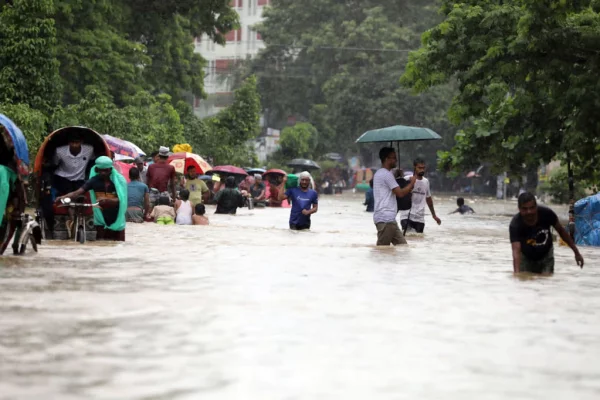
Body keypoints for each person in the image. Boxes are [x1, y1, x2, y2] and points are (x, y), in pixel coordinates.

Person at [55, 156, 127, 241]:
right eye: (101, 170)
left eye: (106, 170)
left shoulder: (120, 181)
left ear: (110, 170)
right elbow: (77, 192)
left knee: (119, 245)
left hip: (117, 218)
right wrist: (63, 197)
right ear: (96, 170)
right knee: (100, 244)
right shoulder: (93, 181)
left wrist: (107, 200)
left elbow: (122, 201)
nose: (103, 173)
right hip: (101, 217)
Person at [510, 192, 584, 274]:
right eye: (525, 209)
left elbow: (561, 231)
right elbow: (516, 251)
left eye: (532, 208)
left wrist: (576, 253)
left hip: (546, 256)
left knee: (546, 282)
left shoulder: (547, 214)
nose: (529, 212)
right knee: (524, 280)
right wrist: (516, 274)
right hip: (526, 257)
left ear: (536, 207)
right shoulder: (515, 224)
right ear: (519, 209)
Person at [373, 147, 416, 246]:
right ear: (386, 159)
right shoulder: (387, 175)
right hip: (386, 219)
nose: (396, 160)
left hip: (389, 219)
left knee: (403, 247)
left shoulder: (379, 173)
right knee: (382, 250)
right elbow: (400, 193)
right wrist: (411, 183)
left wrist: (396, 175)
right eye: (393, 158)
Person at [399, 158, 441, 234]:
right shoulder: (406, 179)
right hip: (406, 215)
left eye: (423, 168)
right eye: (419, 168)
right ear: (414, 167)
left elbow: (428, 199)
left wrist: (434, 215)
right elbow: (399, 195)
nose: (422, 170)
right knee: (408, 237)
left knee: (419, 240)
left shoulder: (426, 182)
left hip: (420, 218)